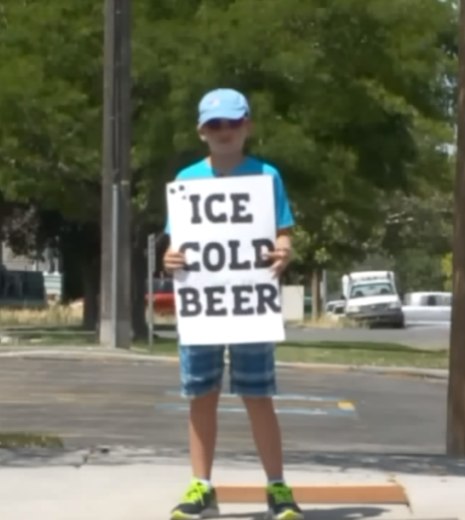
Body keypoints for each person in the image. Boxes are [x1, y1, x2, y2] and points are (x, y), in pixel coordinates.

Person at [163, 88, 303, 520]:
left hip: (249, 305)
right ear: (201, 131)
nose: (224, 131)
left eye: (233, 123)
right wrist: (170, 259)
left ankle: (277, 487)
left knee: (258, 395)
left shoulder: (267, 176)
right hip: (204, 307)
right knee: (200, 395)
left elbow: (283, 232)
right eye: (215, 125)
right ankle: (200, 486)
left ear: (248, 126)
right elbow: (177, 244)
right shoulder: (187, 179)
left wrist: (284, 251)